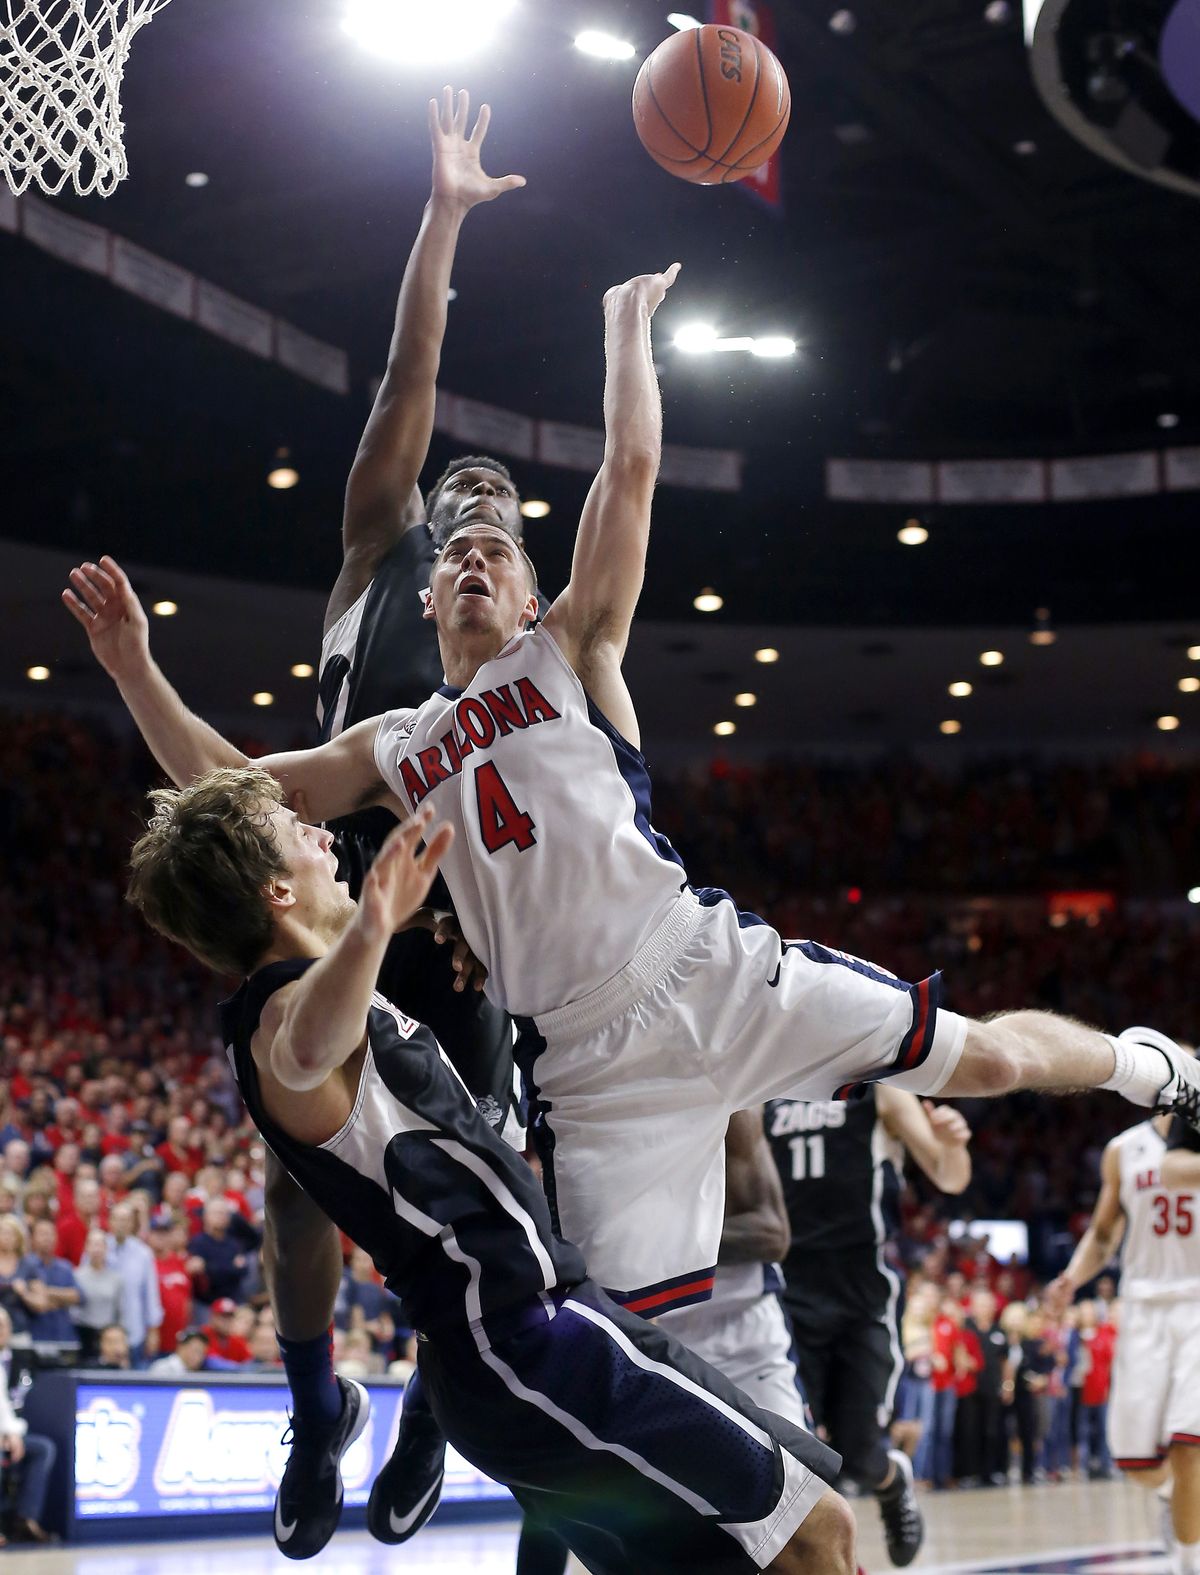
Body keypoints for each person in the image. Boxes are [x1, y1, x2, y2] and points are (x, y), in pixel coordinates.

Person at [122, 768, 855, 1575]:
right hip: (528, 1343)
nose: (327, 837)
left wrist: (441, 936)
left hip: (503, 1356)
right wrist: (373, 921)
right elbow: (305, 1049)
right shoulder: (279, 1018)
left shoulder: (320, 997)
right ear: (276, 893)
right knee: (815, 1527)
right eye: (301, 835)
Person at [516, 1106, 810, 1575]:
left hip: (739, 1336)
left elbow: (770, 1233)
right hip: (642, 1344)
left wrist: (647, 1242)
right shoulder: (573, 1090)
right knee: (580, 1511)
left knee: (806, 1533)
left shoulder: (729, 1099)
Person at [764, 1087, 970, 1564]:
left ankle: (891, 1478)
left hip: (862, 1293)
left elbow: (950, 1176)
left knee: (857, 1456)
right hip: (787, 1287)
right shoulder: (766, 1088)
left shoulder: (880, 1093)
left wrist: (952, 1144)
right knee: (794, 1447)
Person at [1053, 1103, 1200, 1574]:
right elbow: (1102, 1236)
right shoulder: (1123, 1149)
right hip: (1143, 1308)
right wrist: (1071, 1279)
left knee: (1188, 1445)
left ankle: (1188, 1561)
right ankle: (1177, 1500)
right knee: (1137, 1462)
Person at [0, 1307, 56, 1545]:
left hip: (8, 1432)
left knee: (43, 1448)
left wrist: (11, 1433)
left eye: (3, 1325)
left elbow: (3, 1404)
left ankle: (26, 1518)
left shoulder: (22, 1358)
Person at [107, 1201, 162, 1365]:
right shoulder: (98, 1246)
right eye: (117, 1219)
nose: (121, 1224)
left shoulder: (143, 1253)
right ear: (110, 1221)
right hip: (104, 1329)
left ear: (132, 1223)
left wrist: (153, 1330)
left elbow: (150, 1294)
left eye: (126, 1220)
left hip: (134, 1328)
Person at [15, 1218, 80, 1346]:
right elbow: (37, 1302)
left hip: (64, 1336)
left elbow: (77, 1296)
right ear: (32, 1238)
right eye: (43, 1234)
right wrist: (62, 1300)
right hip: (35, 1335)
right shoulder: (24, 1265)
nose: (47, 1238)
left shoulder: (65, 1266)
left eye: (51, 1234)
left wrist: (44, 1292)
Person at [73, 1227, 124, 1362]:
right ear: (86, 1248)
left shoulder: (115, 1279)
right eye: (92, 1244)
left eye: (100, 1244)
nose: (96, 1249)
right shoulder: (77, 1276)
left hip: (107, 1334)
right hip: (83, 1333)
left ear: (106, 1249)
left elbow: (119, 1311)